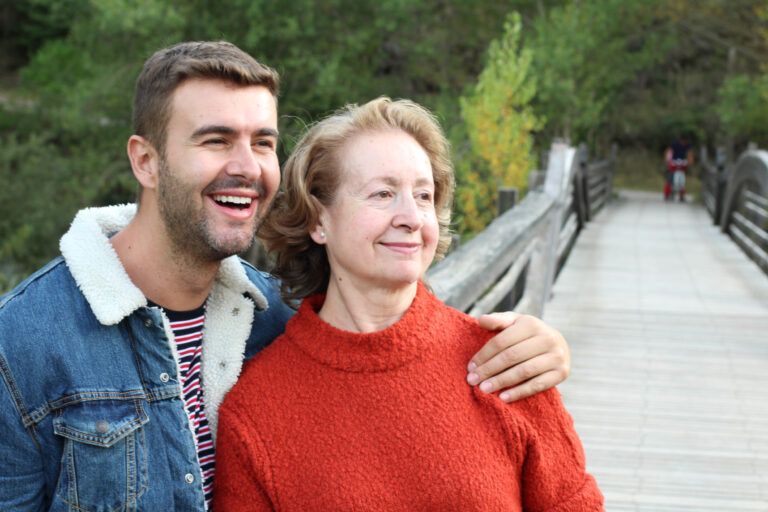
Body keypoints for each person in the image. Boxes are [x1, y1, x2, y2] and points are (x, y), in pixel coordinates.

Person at [0, 41, 572, 510]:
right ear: (145, 161)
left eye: (263, 143)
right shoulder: (24, 340)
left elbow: (386, 346)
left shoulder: (273, 316)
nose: (246, 167)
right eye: (216, 140)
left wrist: (537, 345)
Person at [213, 97, 603, 511]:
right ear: (318, 220)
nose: (411, 217)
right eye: (382, 193)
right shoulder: (257, 408)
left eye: (423, 195)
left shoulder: (503, 359)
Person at [664, 135, 693, 201]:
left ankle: (682, 195)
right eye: (682, 141)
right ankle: (667, 194)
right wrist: (668, 160)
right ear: (680, 140)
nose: (683, 142)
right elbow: (669, 151)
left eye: (684, 141)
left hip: (682, 163)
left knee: (682, 181)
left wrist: (690, 160)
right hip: (674, 162)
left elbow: (690, 153)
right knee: (670, 179)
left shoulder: (687, 145)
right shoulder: (674, 144)